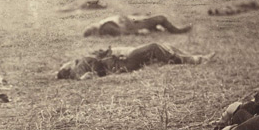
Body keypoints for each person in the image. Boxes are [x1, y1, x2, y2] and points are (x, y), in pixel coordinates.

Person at [57, 43, 214, 80]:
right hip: (122, 64)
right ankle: (194, 60)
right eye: (63, 66)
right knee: (153, 46)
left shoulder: (80, 64)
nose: (64, 63)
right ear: (66, 69)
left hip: (120, 60)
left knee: (162, 46)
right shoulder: (78, 67)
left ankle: (193, 57)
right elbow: (95, 71)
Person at [82, 14, 193, 37]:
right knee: (161, 18)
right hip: (134, 26)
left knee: (157, 19)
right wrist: (138, 32)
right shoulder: (105, 27)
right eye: (92, 27)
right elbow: (121, 32)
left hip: (135, 21)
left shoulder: (104, 24)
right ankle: (177, 31)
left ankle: (157, 29)